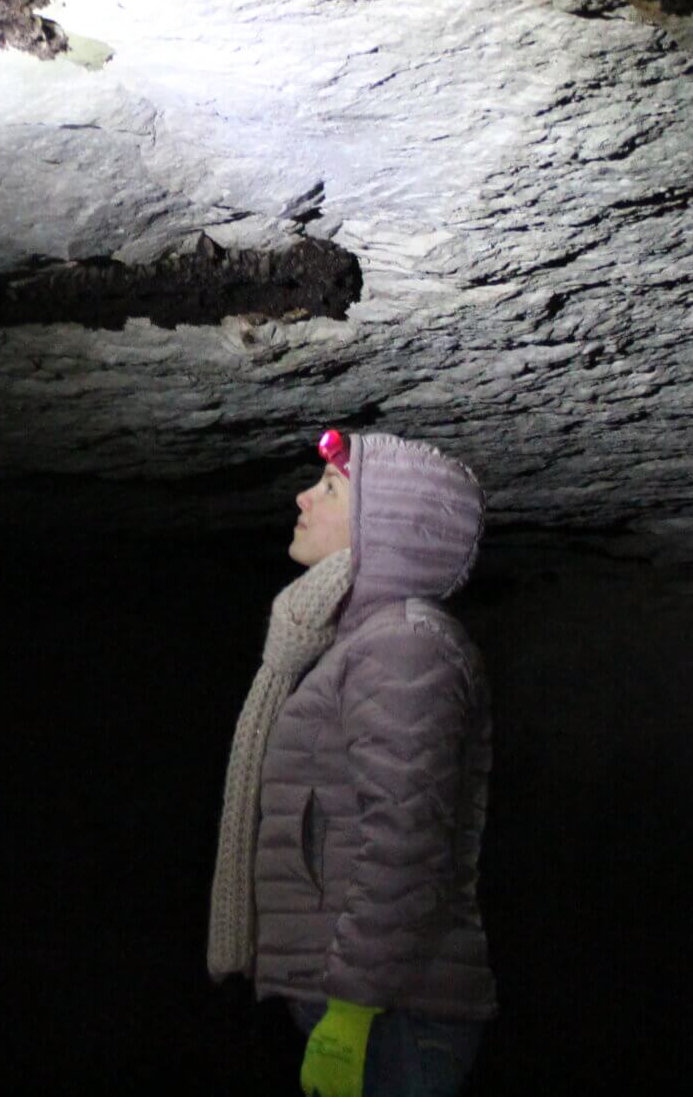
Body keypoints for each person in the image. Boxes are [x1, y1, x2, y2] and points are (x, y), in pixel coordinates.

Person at [208, 428, 497, 1097]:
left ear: (381, 527)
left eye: (331, 488)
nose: (304, 498)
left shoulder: (403, 648)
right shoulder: (363, 643)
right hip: (367, 1000)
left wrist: (353, 1007)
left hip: (390, 1010)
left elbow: (405, 842)